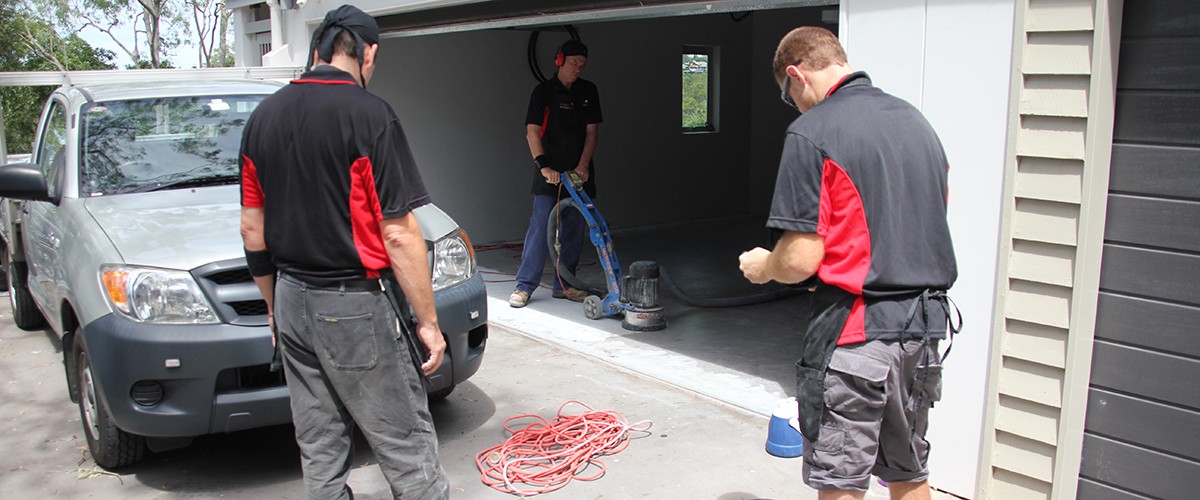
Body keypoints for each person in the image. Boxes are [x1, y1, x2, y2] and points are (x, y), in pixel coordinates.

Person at [238, 5, 449, 499]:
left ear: (319, 50)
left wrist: (272, 307)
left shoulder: (264, 117)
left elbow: (252, 229)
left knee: (320, 446)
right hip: (353, 307)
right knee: (405, 442)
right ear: (367, 51)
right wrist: (428, 323)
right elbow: (398, 233)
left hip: (291, 300)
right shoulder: (369, 114)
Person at [739, 27, 958, 500]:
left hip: (858, 335)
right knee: (909, 471)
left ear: (796, 75)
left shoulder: (812, 132)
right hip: (922, 332)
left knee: (841, 480)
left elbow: (799, 260)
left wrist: (763, 266)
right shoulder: (916, 123)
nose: (793, 106)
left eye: (787, 96)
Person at [509, 39, 603, 308]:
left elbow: (592, 132)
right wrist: (543, 166)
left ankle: (565, 285)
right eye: (573, 62)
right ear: (560, 60)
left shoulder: (588, 91)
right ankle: (525, 285)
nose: (578, 68)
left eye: (582, 64)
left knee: (574, 228)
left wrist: (583, 166)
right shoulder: (543, 92)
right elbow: (532, 131)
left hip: (578, 173)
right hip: (549, 171)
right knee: (541, 226)